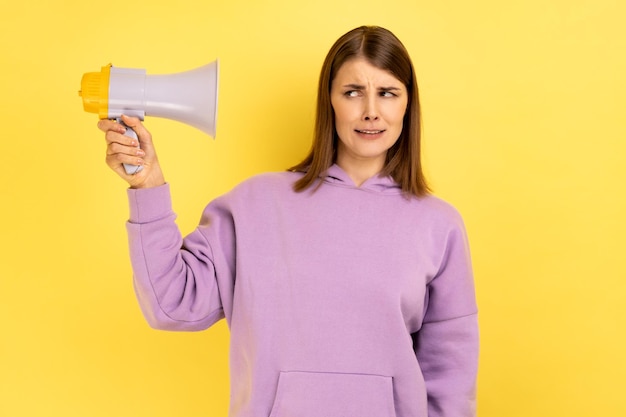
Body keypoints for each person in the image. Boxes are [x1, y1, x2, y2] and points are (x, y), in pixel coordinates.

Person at [98, 25, 478, 417]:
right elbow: (172, 303)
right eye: (352, 92)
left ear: (407, 104)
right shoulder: (255, 204)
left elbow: (451, 377)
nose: (370, 111)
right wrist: (148, 185)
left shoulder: (439, 225)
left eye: (387, 93)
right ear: (329, 101)